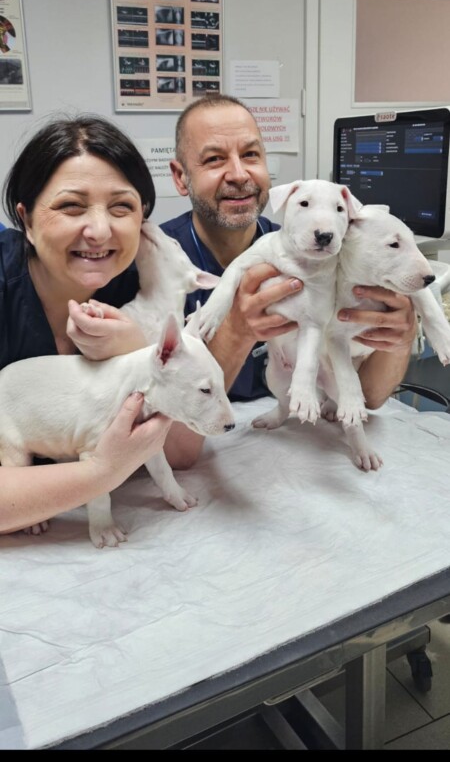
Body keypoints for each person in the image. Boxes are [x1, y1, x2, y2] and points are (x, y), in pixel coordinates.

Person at [0, 114, 199, 535]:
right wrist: (100, 473)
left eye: (121, 207)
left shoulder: (133, 285)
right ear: (27, 220)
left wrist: (137, 352)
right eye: (71, 206)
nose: (99, 231)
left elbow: (182, 451)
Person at [161, 94, 418, 409]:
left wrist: (400, 341)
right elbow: (159, 412)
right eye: (214, 159)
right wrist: (237, 332)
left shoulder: (316, 256)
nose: (239, 174)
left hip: (298, 424)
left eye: (251, 154)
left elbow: (369, 397)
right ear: (180, 177)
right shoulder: (153, 263)